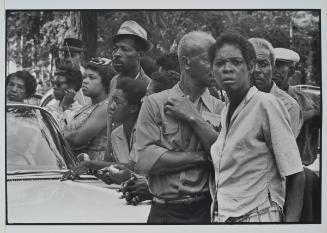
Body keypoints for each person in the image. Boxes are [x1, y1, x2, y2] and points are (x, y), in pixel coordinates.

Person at [209, 32, 304, 223]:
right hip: (225, 217)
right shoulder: (226, 110)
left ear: (249, 66)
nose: (227, 68)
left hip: (258, 216)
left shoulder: (266, 103)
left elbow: (295, 174)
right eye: (219, 63)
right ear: (212, 71)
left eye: (236, 62)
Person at [135, 31, 224, 223]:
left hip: (205, 211)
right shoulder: (155, 104)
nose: (216, 67)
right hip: (165, 212)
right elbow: (145, 161)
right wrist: (204, 157)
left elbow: (226, 156)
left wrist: (192, 116)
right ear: (186, 62)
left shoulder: (221, 108)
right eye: (208, 60)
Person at [106, 20, 153, 161]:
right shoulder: (114, 81)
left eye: (125, 49)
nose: (117, 54)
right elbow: (110, 122)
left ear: (140, 55)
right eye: (115, 49)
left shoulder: (149, 88)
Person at [273, 47, 321, 165]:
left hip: (297, 167)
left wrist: (315, 113)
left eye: (278, 65)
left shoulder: (304, 99)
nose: (273, 70)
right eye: (269, 64)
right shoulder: (254, 95)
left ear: (292, 71)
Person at [63, 58, 116, 161]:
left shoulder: (106, 107)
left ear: (106, 83)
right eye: (84, 77)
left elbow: (77, 139)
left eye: (92, 78)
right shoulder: (89, 106)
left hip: (95, 169)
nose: (85, 81)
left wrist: (60, 132)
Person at [248, 38, 303, 137]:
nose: (256, 70)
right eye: (251, 64)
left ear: (272, 68)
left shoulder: (289, 106)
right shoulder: (232, 98)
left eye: (263, 64)